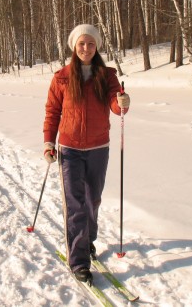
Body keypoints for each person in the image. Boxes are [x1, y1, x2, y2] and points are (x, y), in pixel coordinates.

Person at [43, 24, 130, 286]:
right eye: (81, 43)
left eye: (91, 44)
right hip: (69, 149)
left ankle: (87, 241)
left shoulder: (107, 75)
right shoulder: (61, 78)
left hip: (97, 148)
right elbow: (52, 112)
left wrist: (123, 102)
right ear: (74, 46)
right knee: (76, 205)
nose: (86, 48)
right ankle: (79, 260)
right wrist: (49, 143)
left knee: (93, 199)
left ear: (97, 47)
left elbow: (116, 105)